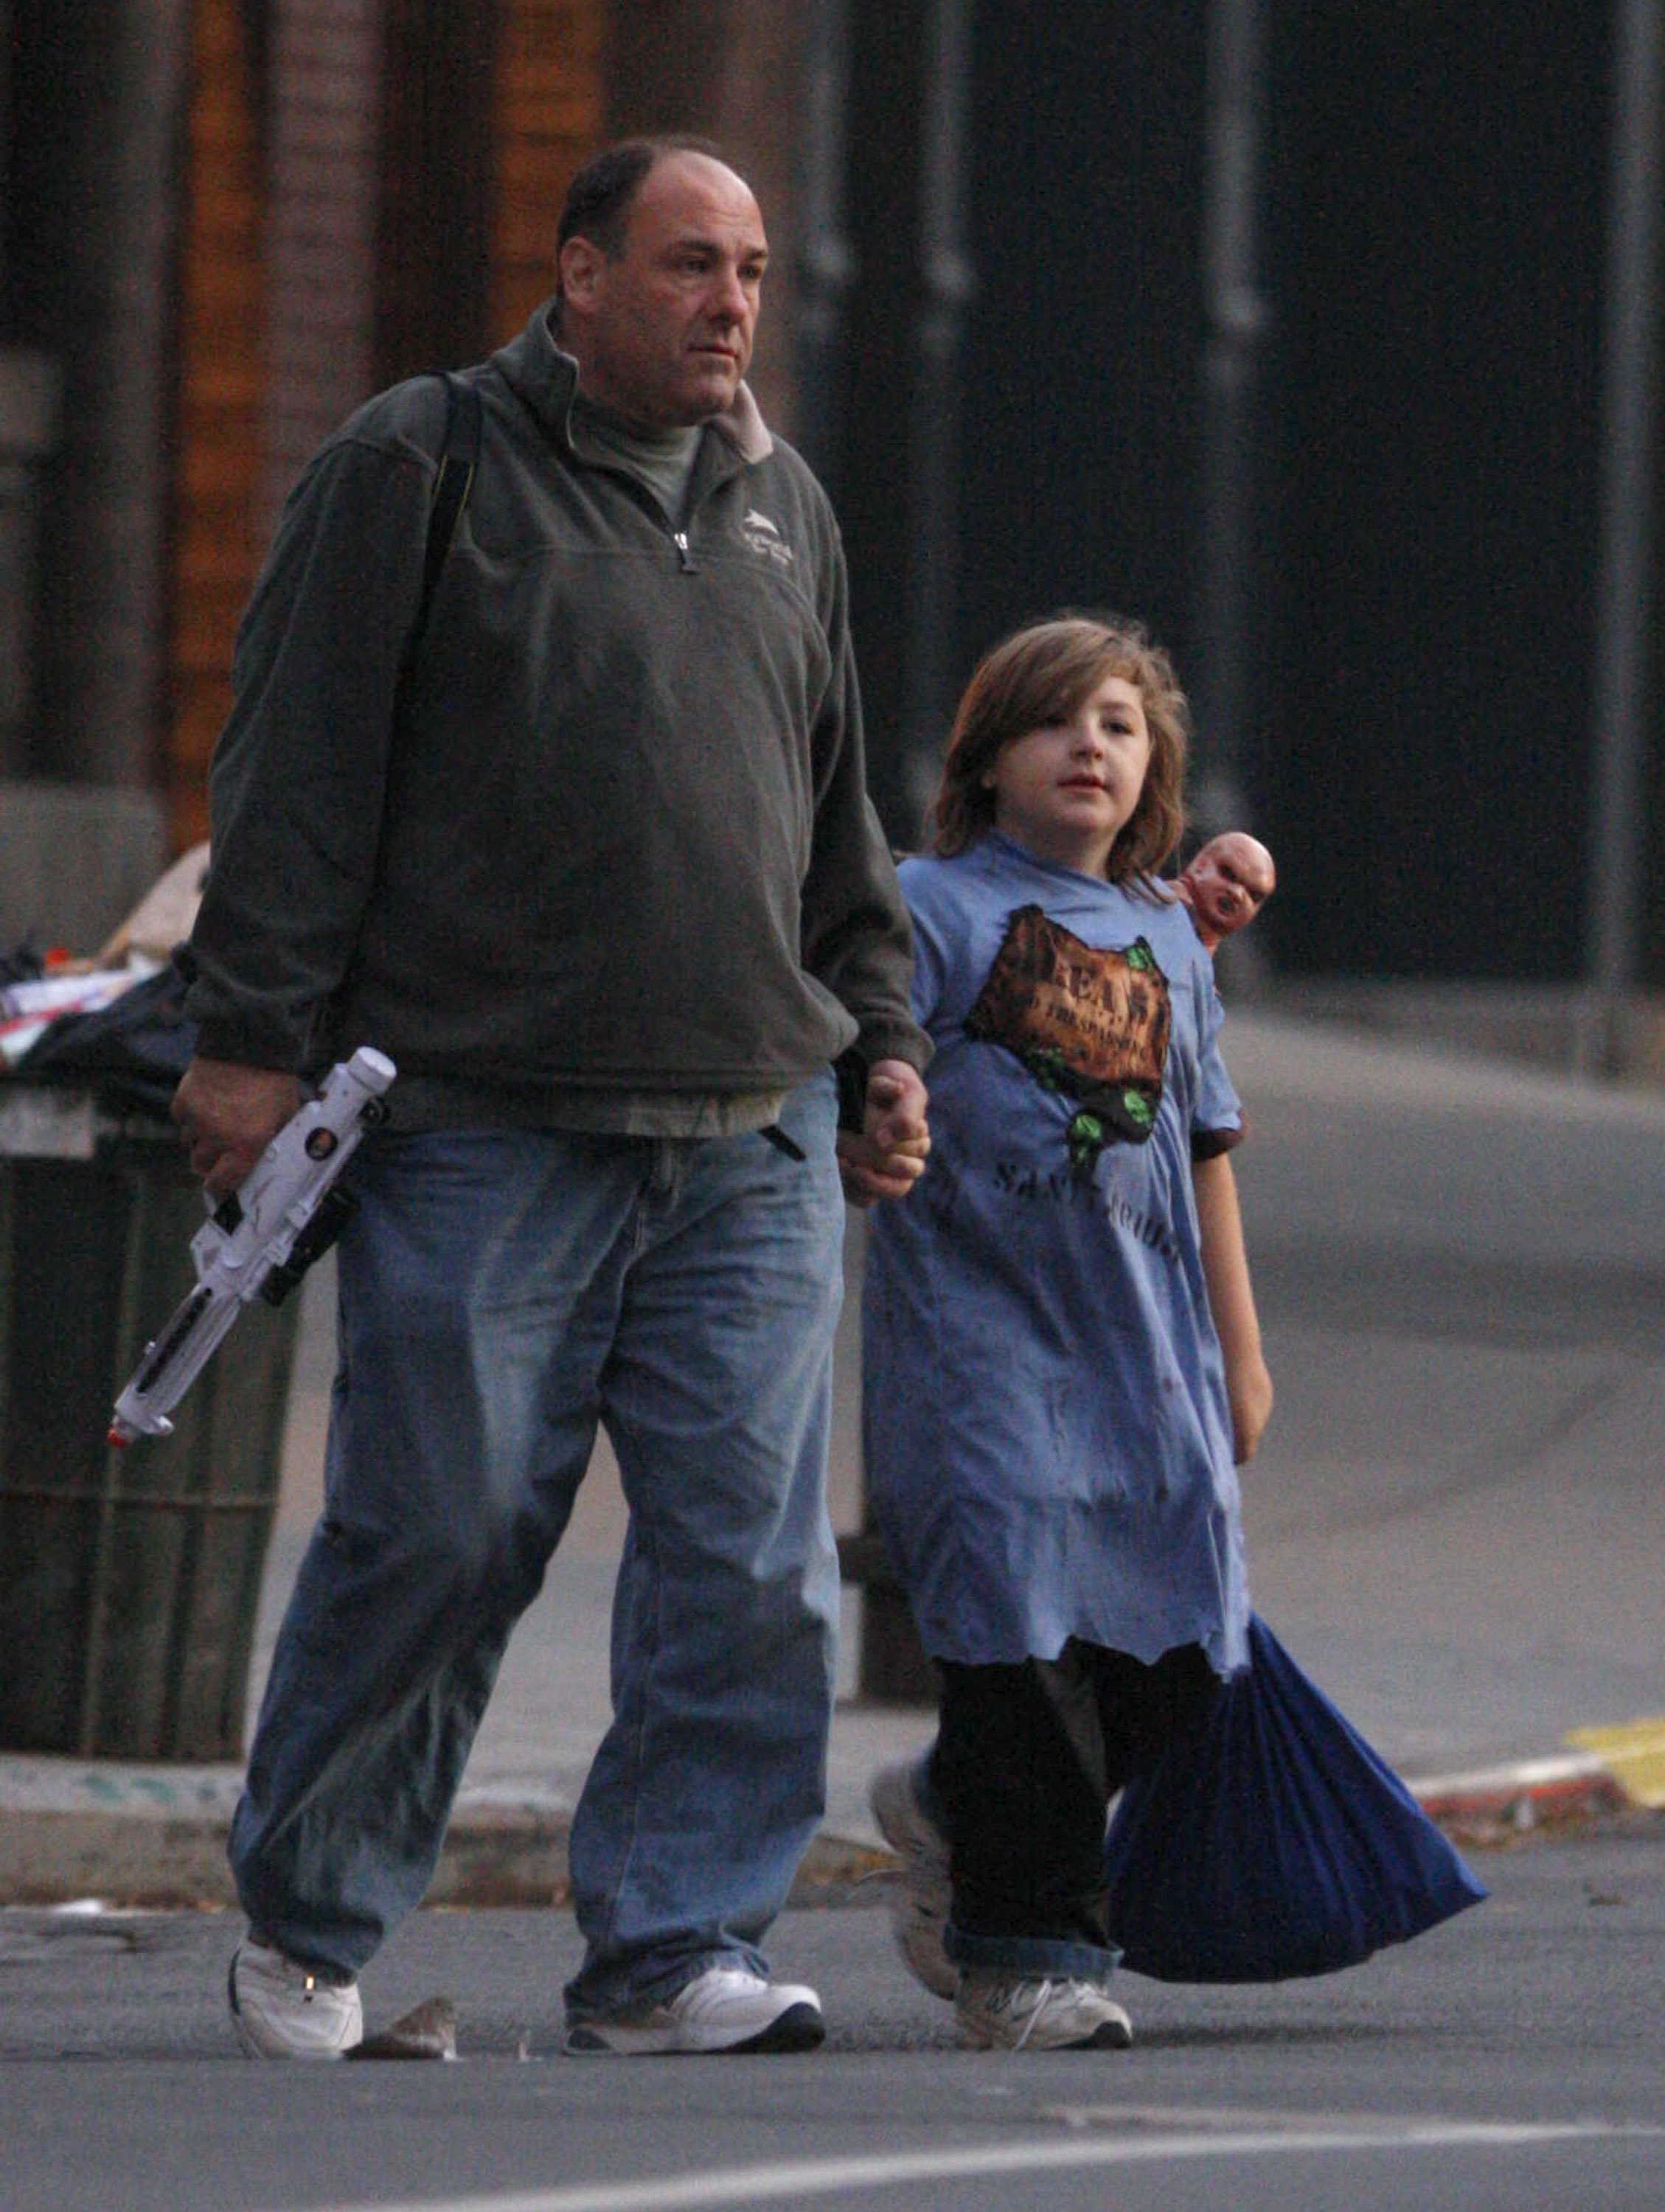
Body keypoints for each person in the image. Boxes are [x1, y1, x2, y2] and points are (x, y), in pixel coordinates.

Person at [173, 135, 931, 2061]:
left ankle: (676, 1950)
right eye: (689, 264)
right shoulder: (420, 466)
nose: (729, 305)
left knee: (750, 1569)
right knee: (435, 1530)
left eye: (751, 269)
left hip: (750, 1126)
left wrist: (884, 1033)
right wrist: (249, 1034)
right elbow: (296, 768)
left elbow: (832, 802)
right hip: (482, 1114)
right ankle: (313, 1926)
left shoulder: (785, 510)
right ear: (579, 276)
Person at [860, 613, 1272, 2051]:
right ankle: (1025, 1960)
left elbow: (1206, 1146)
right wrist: (881, 1109)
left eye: (1115, 722)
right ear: (985, 757)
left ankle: (948, 1798)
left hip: (1146, 1345)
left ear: (1153, 763)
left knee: (1180, 1661)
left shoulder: (1169, 932)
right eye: (1054, 720)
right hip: (984, 1337)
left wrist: (1242, 1345)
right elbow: (867, 1065)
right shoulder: (930, 907)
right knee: (1024, 1627)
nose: (1087, 744)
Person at [1175, 829, 1276, 953]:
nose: (1237, 894)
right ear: (1200, 865)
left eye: (1253, 895)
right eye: (1229, 875)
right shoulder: (1152, 904)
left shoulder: (1198, 961)